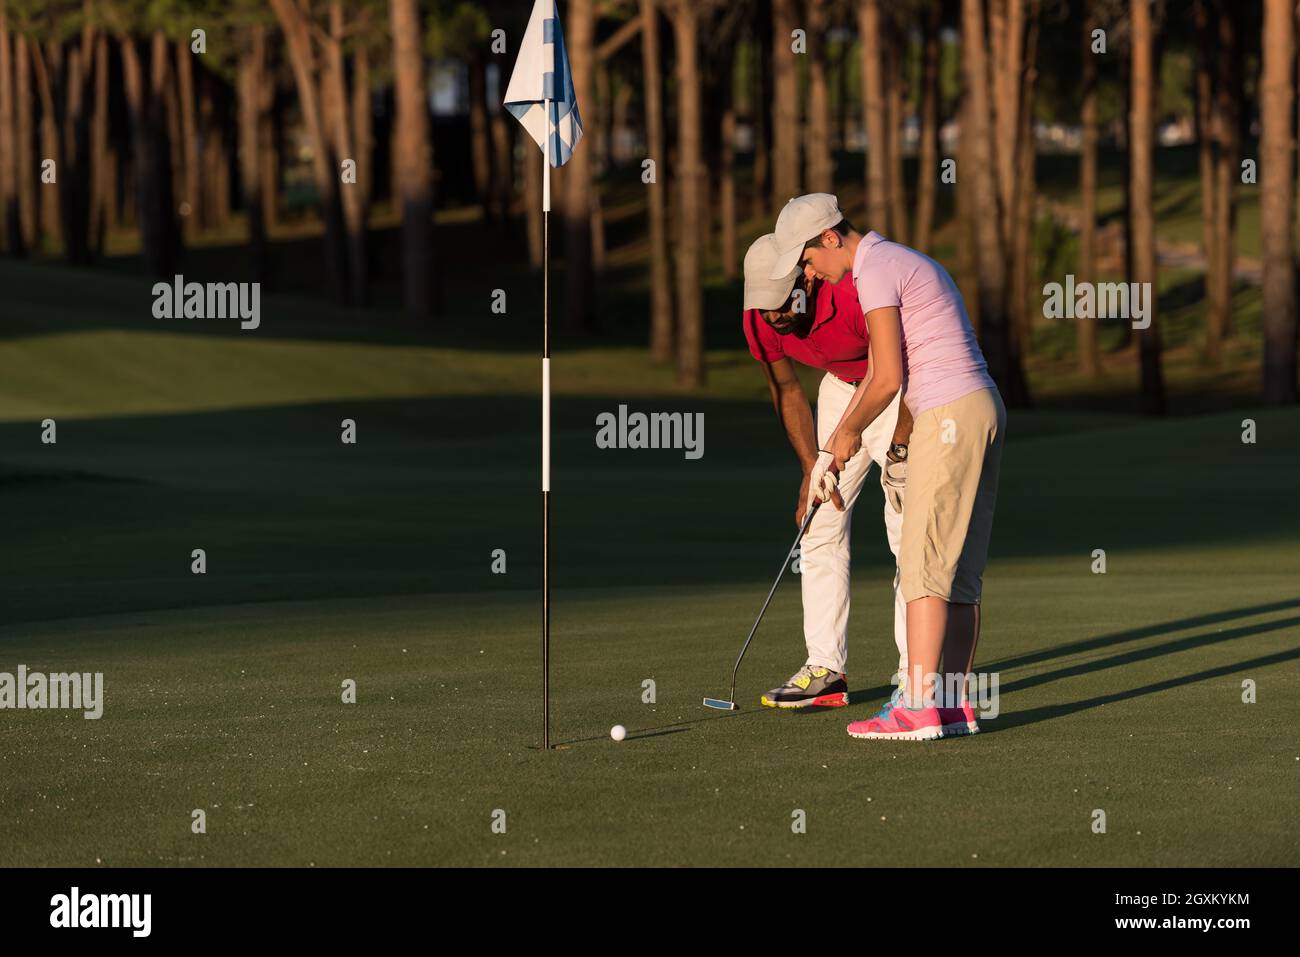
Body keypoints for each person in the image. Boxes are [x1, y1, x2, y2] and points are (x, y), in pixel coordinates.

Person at [769, 193, 1006, 741]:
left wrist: (848, 434)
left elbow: (887, 378)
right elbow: (880, 363)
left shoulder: (872, 269)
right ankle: (952, 705)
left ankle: (918, 706)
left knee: (923, 569)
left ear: (830, 237)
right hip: (982, 408)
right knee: (961, 576)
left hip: (946, 415)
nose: (810, 275)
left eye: (807, 261)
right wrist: (832, 449)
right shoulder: (900, 260)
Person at [741, 232, 912, 709]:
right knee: (819, 523)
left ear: (807, 277)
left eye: (781, 303)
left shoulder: (853, 291)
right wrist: (809, 466)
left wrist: (900, 444)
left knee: (906, 531)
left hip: (898, 389)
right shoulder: (760, 318)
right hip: (841, 390)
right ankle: (825, 669)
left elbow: (909, 360)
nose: (775, 317)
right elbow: (787, 390)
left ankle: (911, 675)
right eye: (764, 307)